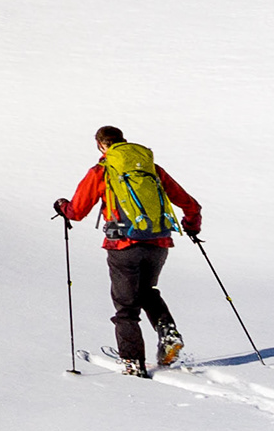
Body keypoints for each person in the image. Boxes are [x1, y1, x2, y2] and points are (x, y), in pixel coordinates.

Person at [55, 126, 203, 376]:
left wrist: (62, 207)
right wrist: (191, 226)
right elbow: (190, 204)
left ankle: (133, 362)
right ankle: (167, 333)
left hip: (123, 245)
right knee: (146, 291)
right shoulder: (151, 168)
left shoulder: (102, 170)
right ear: (123, 141)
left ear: (101, 145)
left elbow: (77, 211)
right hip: (158, 242)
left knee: (126, 307)